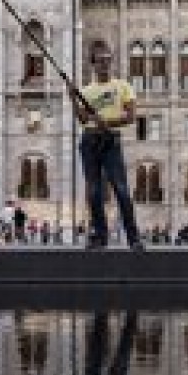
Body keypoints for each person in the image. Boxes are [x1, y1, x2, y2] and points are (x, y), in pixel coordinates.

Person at [74, 55, 143, 251]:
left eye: (107, 61)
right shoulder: (86, 91)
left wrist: (109, 123)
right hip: (89, 141)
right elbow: (82, 119)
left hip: (110, 140)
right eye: (100, 61)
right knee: (94, 191)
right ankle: (100, 236)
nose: (104, 65)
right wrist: (73, 98)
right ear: (94, 65)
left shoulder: (122, 87)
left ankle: (133, 237)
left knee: (121, 189)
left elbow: (131, 117)